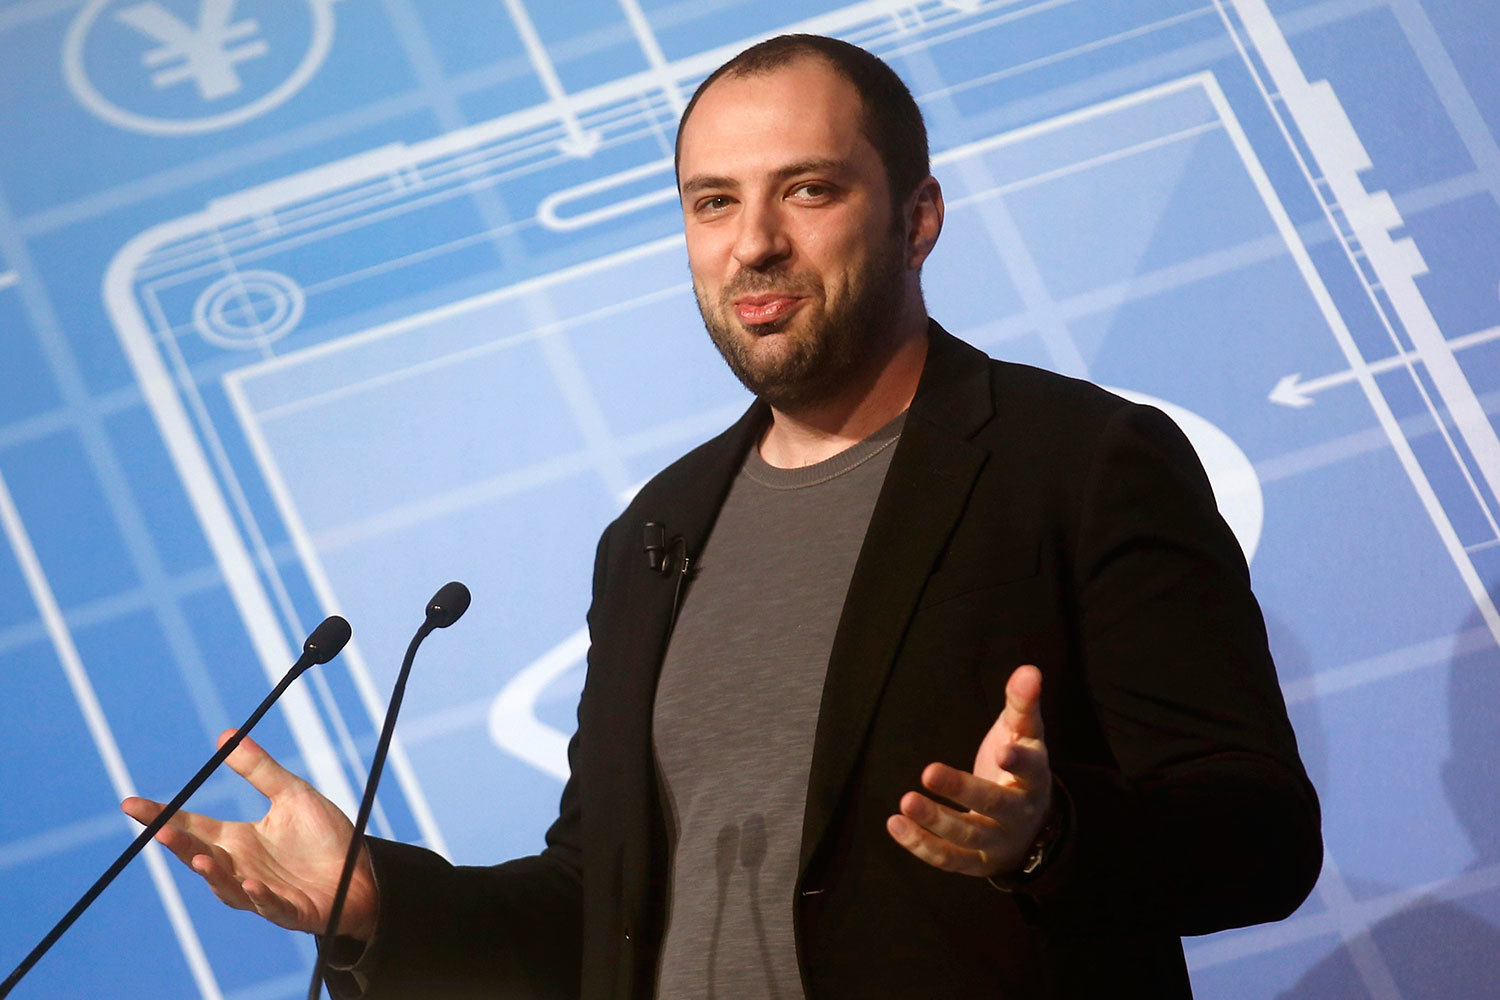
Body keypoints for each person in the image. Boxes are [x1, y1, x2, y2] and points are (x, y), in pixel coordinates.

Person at [122, 34, 1322, 999]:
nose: (753, 242)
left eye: (808, 189)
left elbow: (1261, 837)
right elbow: (598, 901)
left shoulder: (1080, 461)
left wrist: (1048, 835)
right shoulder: (657, 531)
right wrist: (379, 903)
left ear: (917, 218)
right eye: (712, 202)